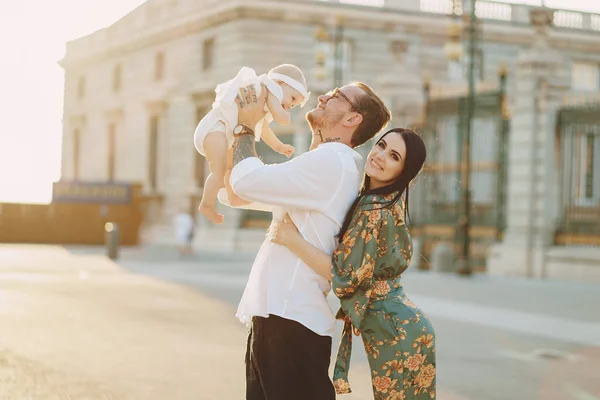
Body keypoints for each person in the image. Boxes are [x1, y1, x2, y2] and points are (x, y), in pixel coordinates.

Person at [221, 82, 391, 400]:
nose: (324, 95)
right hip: (281, 319)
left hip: (289, 322)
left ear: (353, 119)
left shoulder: (333, 161)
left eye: (338, 96)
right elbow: (240, 192)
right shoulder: (327, 161)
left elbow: (246, 182)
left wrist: (245, 124)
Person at [271, 128, 436, 399]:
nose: (380, 156)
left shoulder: (373, 208)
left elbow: (344, 277)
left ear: (403, 171)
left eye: (393, 156)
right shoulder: (385, 202)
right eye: (381, 145)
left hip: (396, 332)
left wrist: (291, 239)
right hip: (406, 326)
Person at [193, 64, 310, 224]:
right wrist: (286, 115)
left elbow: (263, 128)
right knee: (219, 170)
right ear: (280, 83)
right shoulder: (269, 88)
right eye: (293, 98)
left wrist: (278, 146)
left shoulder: (265, 98)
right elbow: (281, 118)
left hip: (223, 133)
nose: (290, 105)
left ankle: (233, 195)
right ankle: (206, 204)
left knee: (229, 168)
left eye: (294, 105)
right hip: (215, 127)